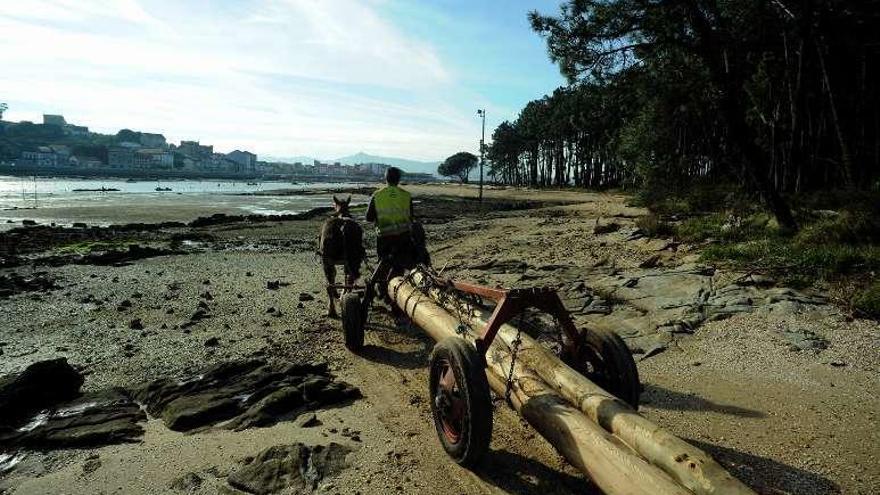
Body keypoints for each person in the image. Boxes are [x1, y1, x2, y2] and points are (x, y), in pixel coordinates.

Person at [366, 167, 414, 268]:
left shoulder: (377, 195)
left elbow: (369, 218)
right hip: (403, 236)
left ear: (385, 178)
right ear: (399, 179)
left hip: (384, 236)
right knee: (401, 264)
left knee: (383, 265)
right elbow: (411, 217)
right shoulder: (406, 195)